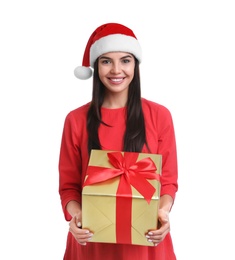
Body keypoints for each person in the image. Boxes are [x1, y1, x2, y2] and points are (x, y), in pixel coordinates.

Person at [58, 22, 178, 260]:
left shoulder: (159, 116)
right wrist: (76, 217)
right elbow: (69, 188)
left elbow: (168, 183)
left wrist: (163, 213)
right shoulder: (76, 120)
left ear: (135, 64)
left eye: (125, 60)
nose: (116, 70)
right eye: (106, 61)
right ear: (95, 66)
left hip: (145, 243)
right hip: (92, 244)